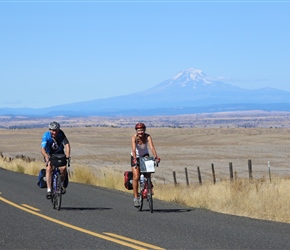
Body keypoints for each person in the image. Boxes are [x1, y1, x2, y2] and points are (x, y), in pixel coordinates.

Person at [130, 122, 160, 207]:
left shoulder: (148, 137)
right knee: (136, 177)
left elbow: (151, 147)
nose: (140, 132)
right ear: (136, 131)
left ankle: (149, 188)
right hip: (135, 156)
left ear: (144, 130)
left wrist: (156, 157)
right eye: (139, 130)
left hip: (145, 156)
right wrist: (135, 159)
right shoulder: (134, 137)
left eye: (142, 130)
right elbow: (133, 149)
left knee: (148, 173)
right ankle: (136, 198)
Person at [41, 121, 71, 199]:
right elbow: (42, 149)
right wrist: (46, 156)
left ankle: (60, 184)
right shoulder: (46, 136)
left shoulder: (61, 134)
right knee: (49, 168)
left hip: (60, 154)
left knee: (63, 168)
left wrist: (67, 155)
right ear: (49, 130)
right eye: (52, 130)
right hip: (49, 155)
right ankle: (49, 190)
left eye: (56, 130)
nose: (54, 132)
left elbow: (67, 144)